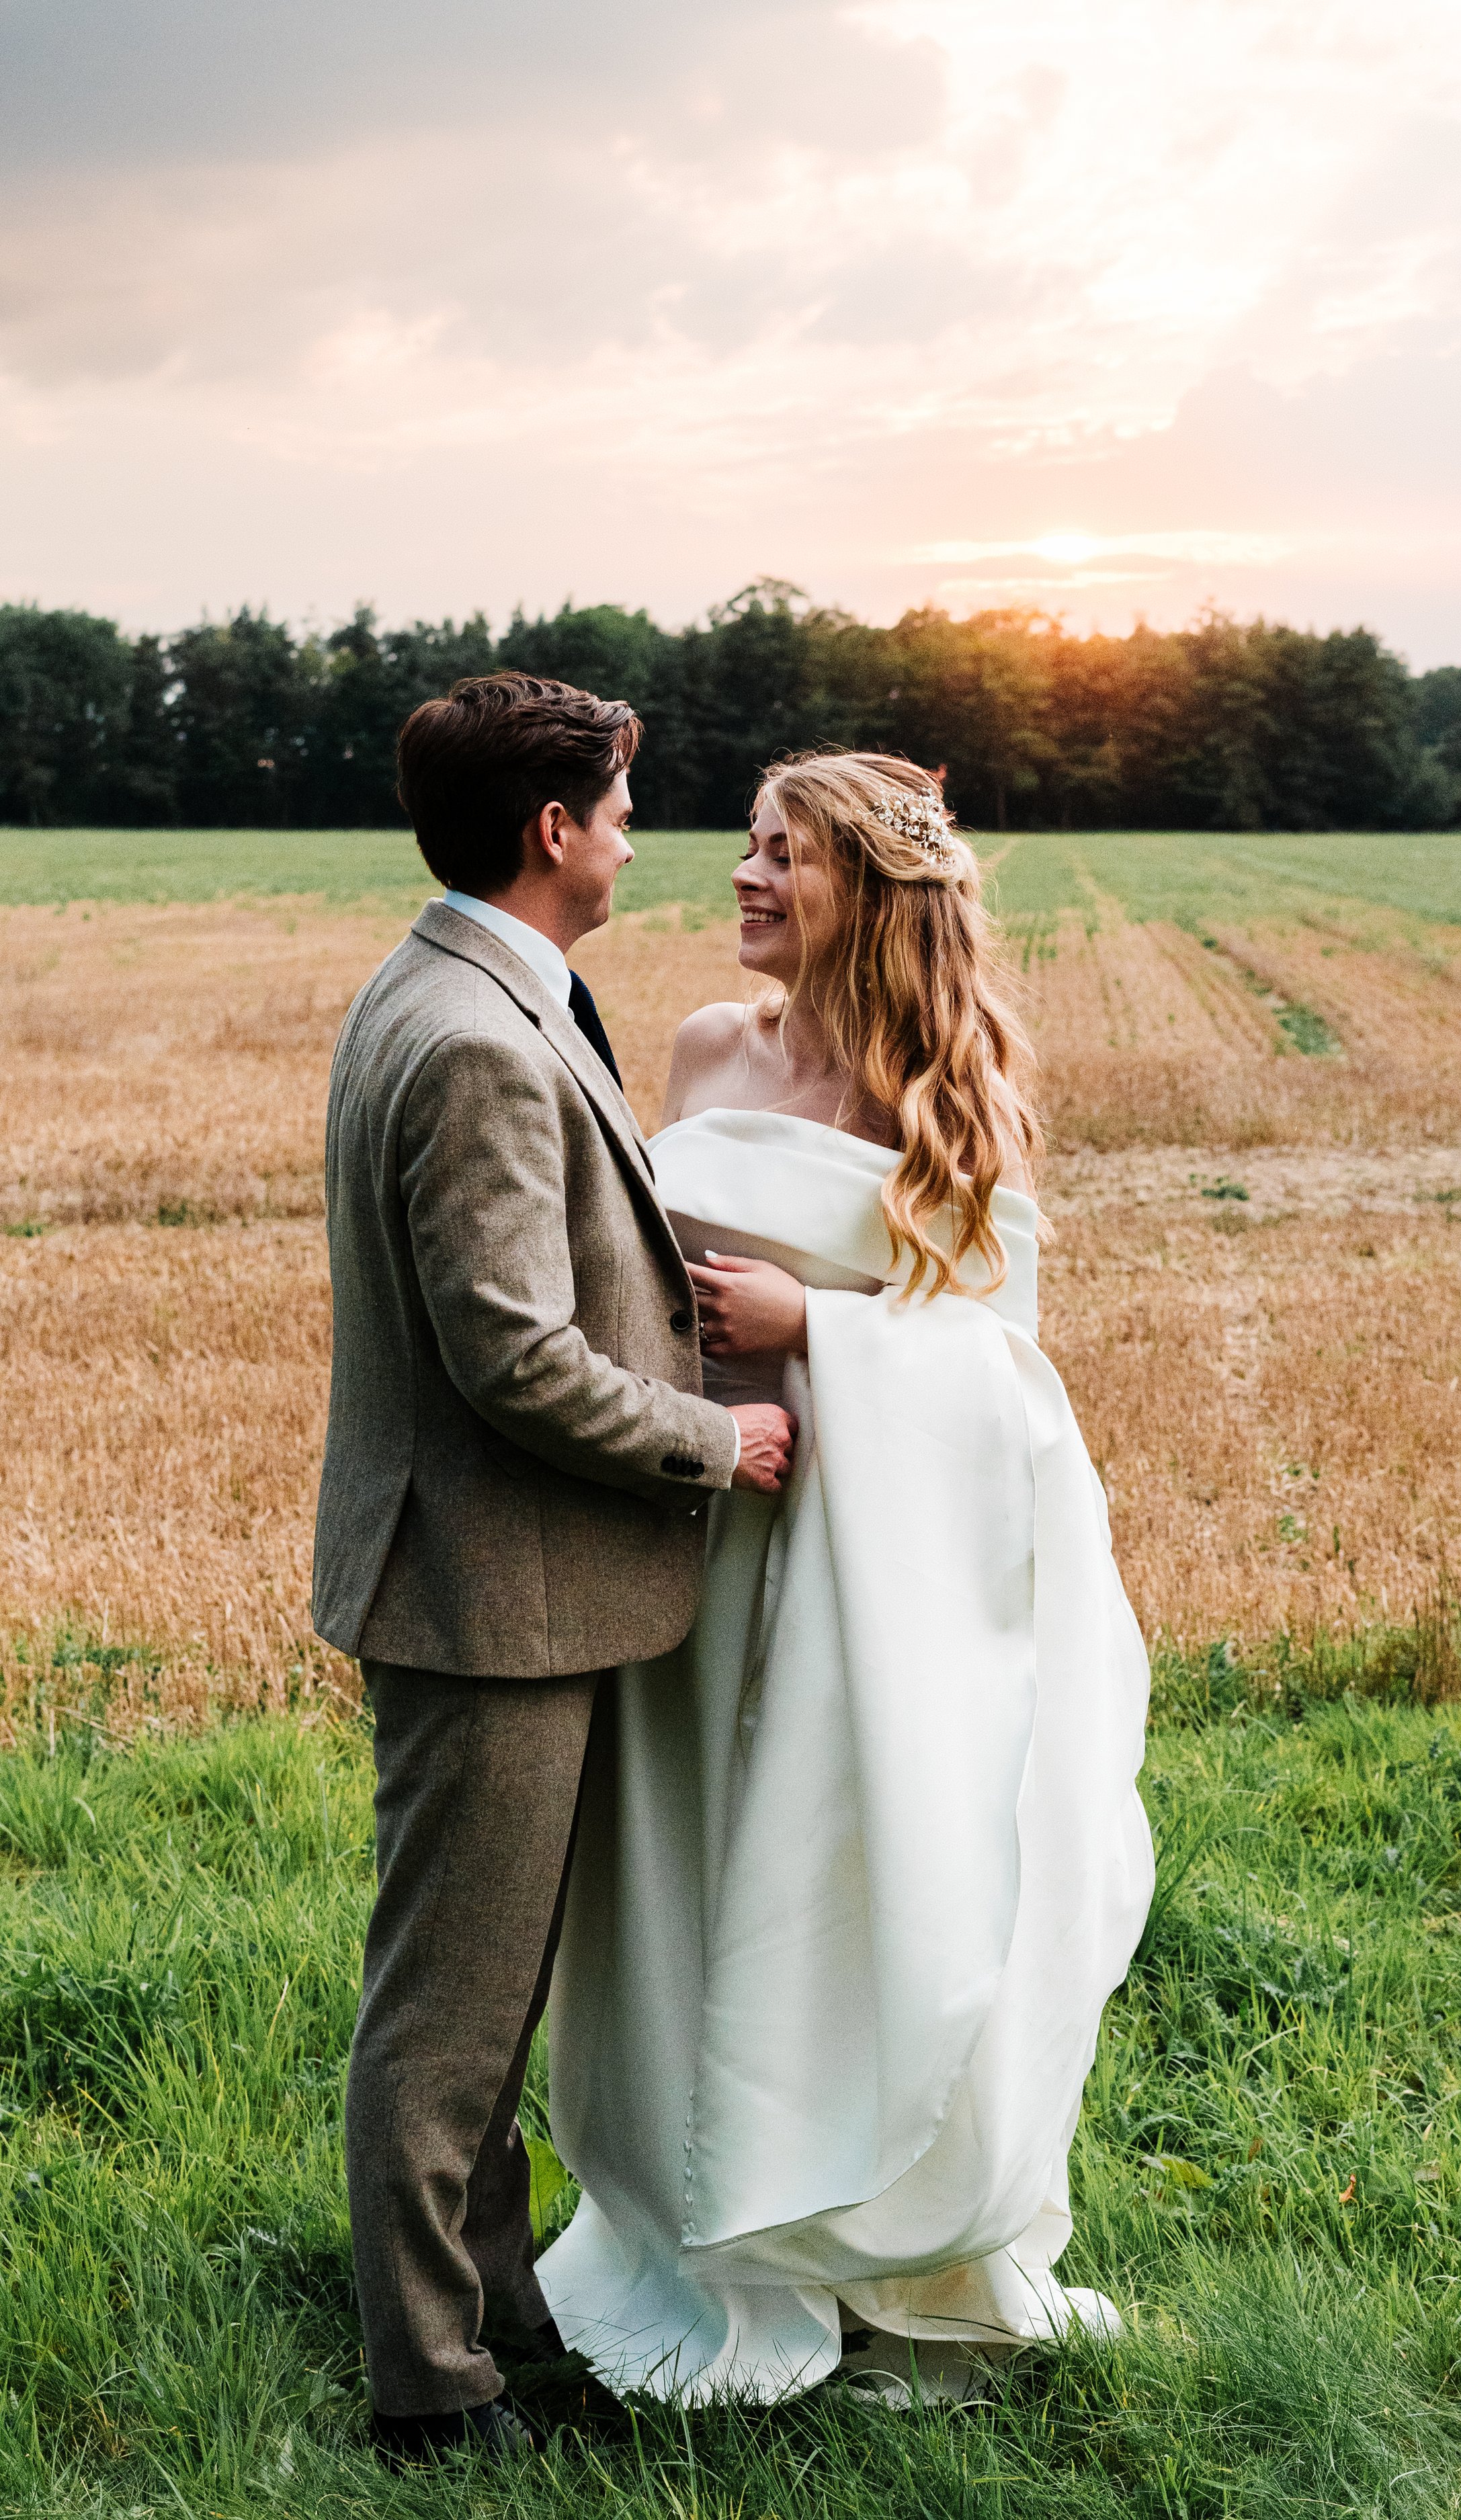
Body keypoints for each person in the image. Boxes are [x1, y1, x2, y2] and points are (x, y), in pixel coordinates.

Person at [535, 751, 1155, 2403]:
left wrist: (823, 1331)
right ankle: (699, 2223)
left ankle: (867, 2227)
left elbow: (1005, 1369)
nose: (740, 876)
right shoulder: (696, 1048)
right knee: (691, 1861)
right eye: (745, 844)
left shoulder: (949, 1089)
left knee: (850, 1871)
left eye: (780, 854)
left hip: (877, 1570)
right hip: (709, 1533)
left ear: (866, 894)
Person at [312, 672, 796, 2466]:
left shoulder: (455, 981)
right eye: (617, 805)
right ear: (552, 831)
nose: (632, 835)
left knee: (484, 1991)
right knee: (447, 2013)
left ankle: (500, 2312)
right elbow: (507, 1352)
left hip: (493, 1578)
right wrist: (714, 1440)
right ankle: (428, 2390)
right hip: (484, 1595)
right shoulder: (475, 1039)